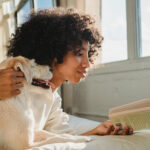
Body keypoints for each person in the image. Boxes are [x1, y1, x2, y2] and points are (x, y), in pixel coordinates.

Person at [0, 7, 133, 137]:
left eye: (88, 54)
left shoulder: (53, 97)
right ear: (54, 51)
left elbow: (61, 137)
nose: (87, 63)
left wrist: (96, 131)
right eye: (79, 53)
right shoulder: (14, 76)